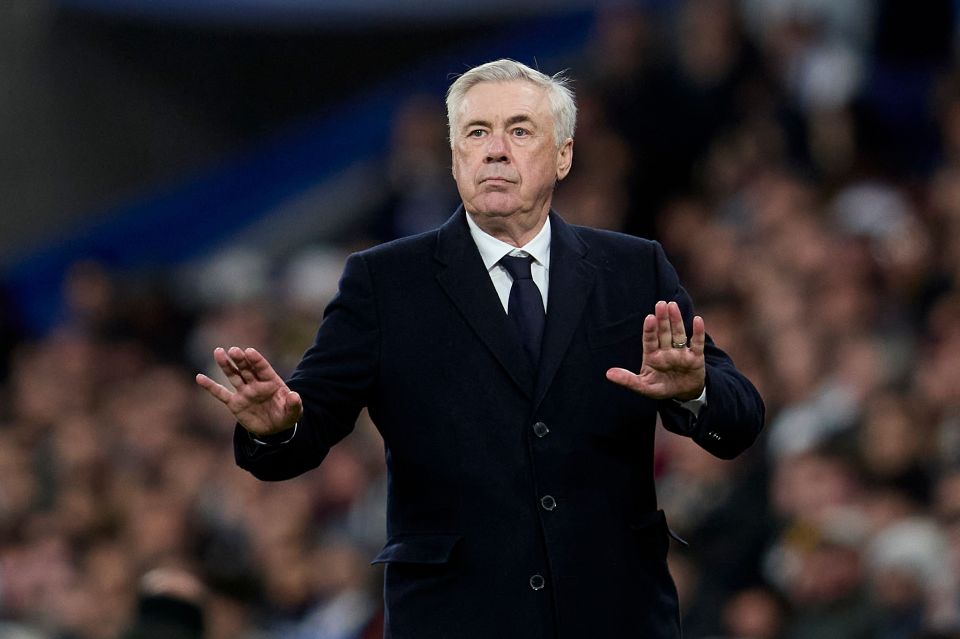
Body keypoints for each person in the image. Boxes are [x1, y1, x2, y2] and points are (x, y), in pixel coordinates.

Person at [196, 59, 764, 639]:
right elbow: (304, 427)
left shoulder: (632, 269)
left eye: (519, 131)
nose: (496, 149)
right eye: (476, 133)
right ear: (454, 157)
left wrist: (695, 391)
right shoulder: (384, 283)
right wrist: (273, 427)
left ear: (563, 155)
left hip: (615, 614)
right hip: (455, 618)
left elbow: (740, 419)